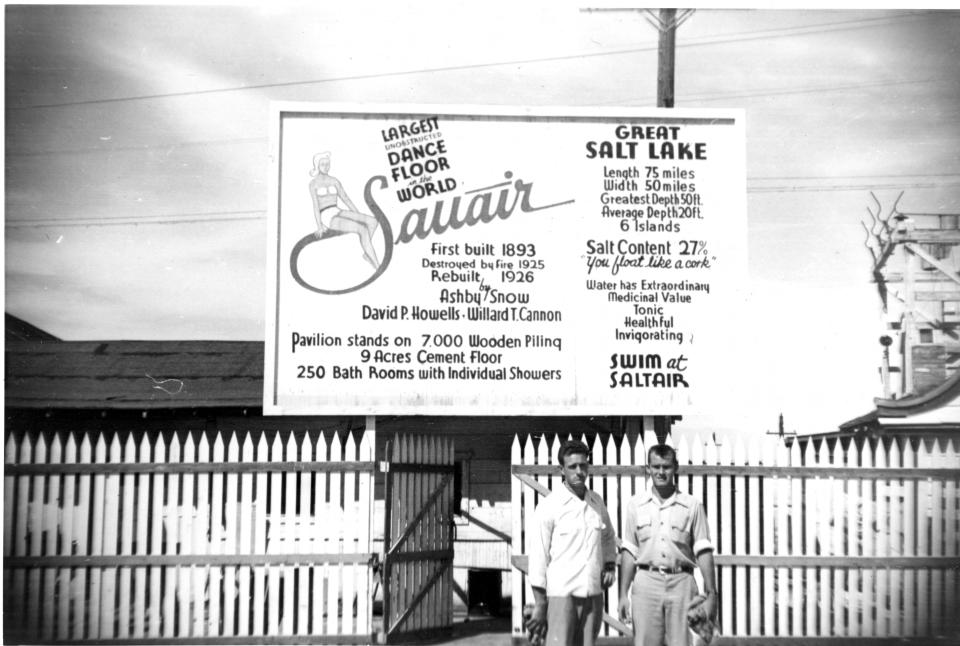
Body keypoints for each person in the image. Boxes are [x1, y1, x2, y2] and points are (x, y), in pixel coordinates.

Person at [618, 444, 717, 646]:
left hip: (682, 582)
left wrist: (711, 593)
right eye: (655, 467)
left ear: (676, 468)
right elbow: (629, 551)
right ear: (648, 468)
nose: (661, 472)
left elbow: (703, 550)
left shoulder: (692, 505)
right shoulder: (635, 505)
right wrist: (623, 594)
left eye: (666, 467)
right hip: (646, 582)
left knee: (682, 642)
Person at [526, 439, 618, 646]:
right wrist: (540, 604)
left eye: (583, 465)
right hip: (562, 596)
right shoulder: (549, 506)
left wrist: (610, 564)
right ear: (561, 469)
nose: (579, 471)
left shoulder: (596, 502)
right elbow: (538, 558)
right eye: (572, 466)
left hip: (593, 594)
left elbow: (608, 536)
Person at [308, 151, 381, 270]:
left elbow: (345, 198)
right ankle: (377, 265)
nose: (326, 167)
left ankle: (367, 253)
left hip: (337, 210)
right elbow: (315, 206)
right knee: (362, 229)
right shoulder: (313, 184)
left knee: (373, 221)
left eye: (328, 164)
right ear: (317, 166)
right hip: (327, 216)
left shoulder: (334, 180)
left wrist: (356, 213)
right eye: (323, 164)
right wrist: (320, 225)